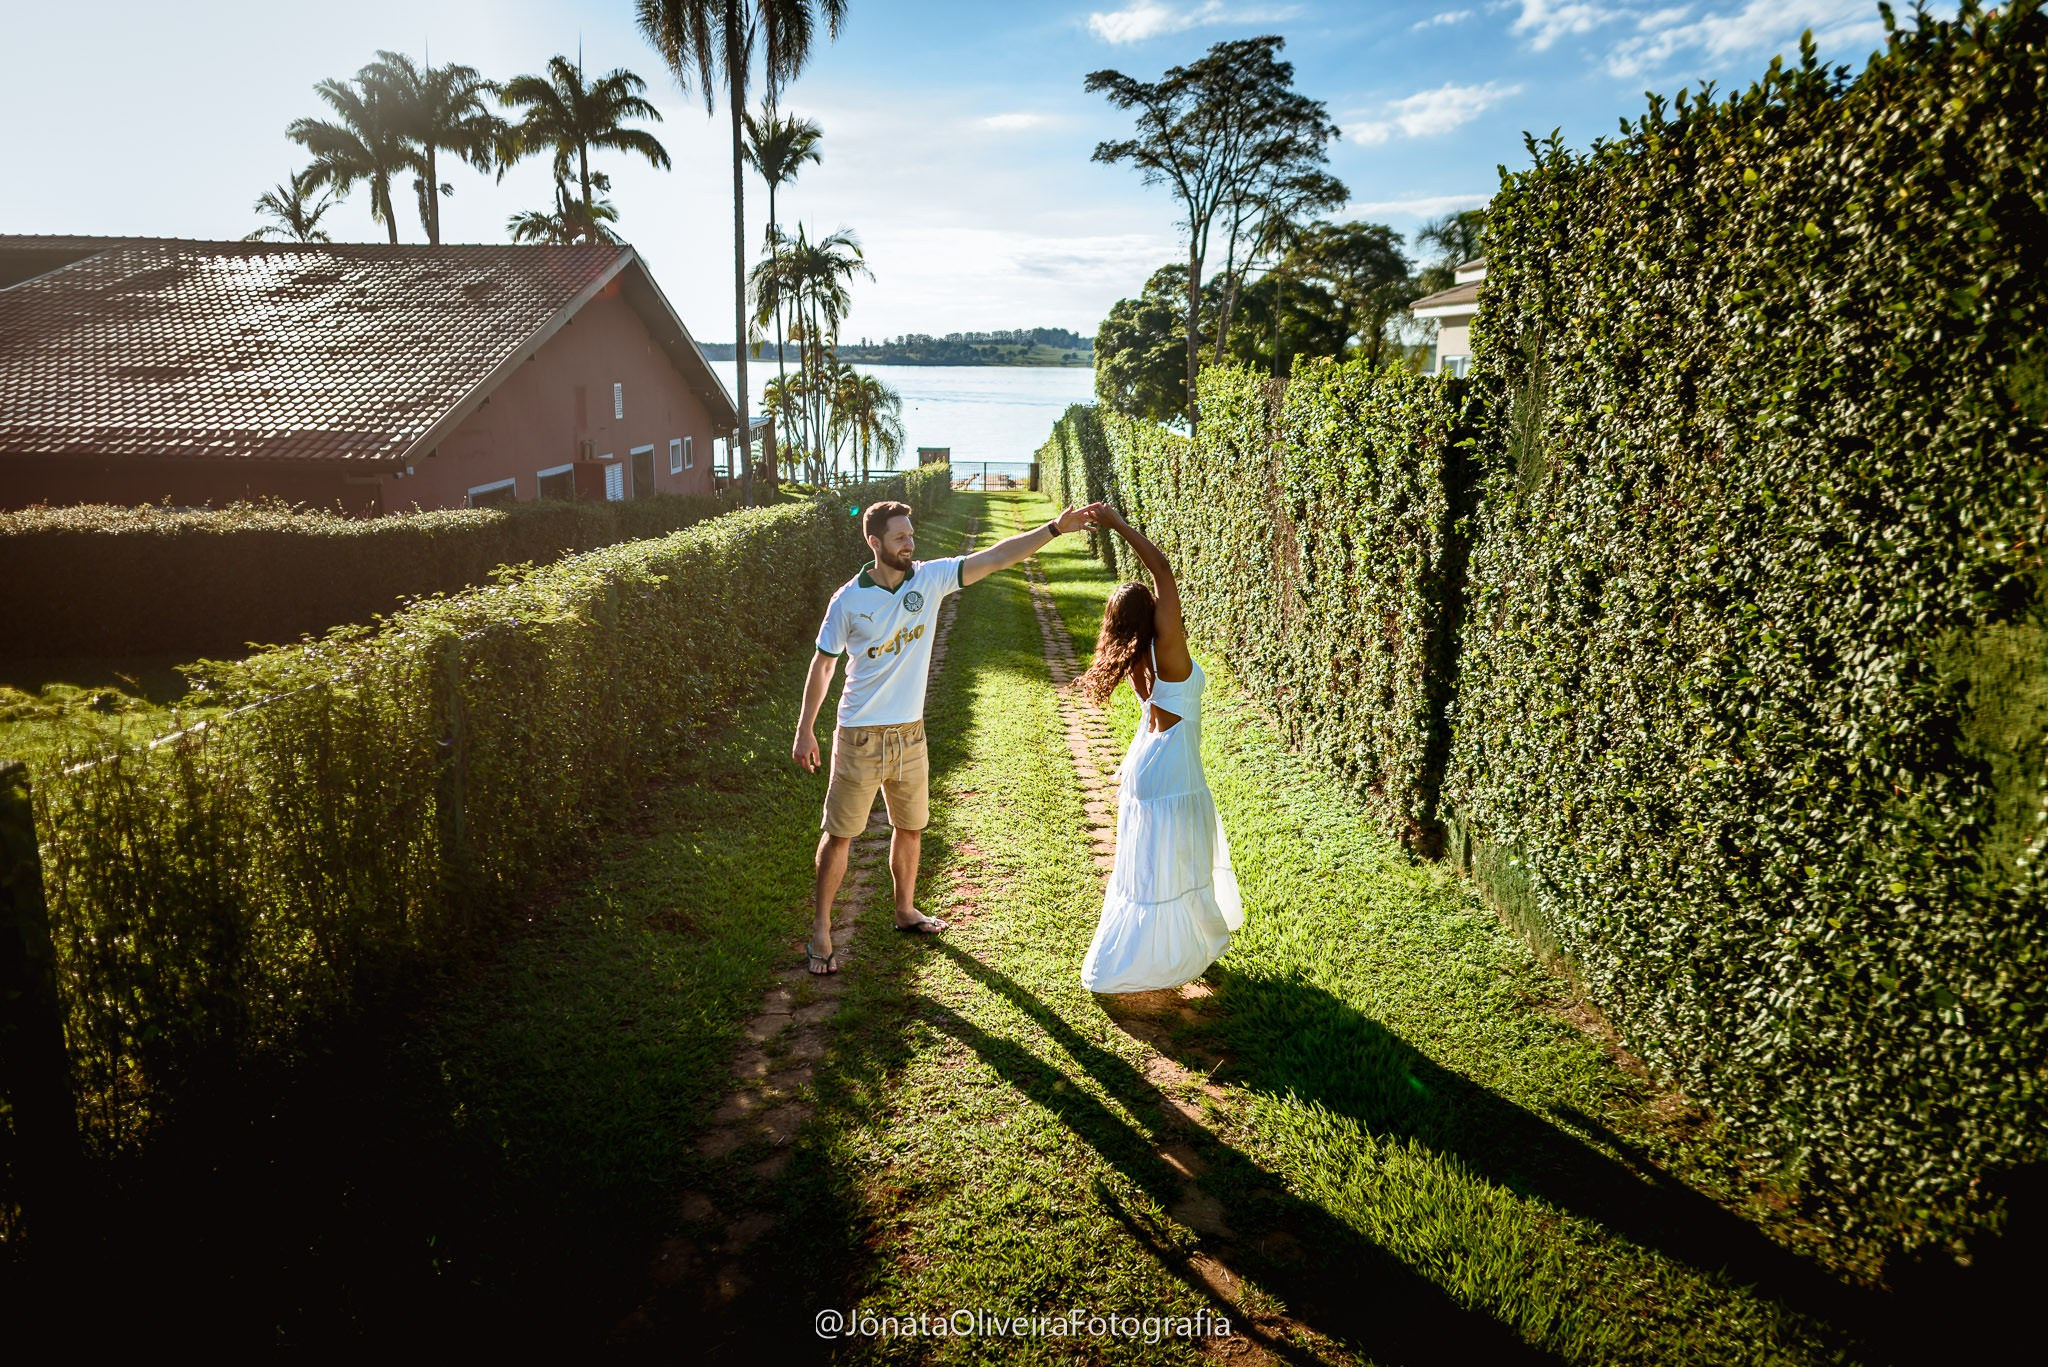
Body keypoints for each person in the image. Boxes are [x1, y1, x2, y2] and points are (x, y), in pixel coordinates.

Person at [795, 497, 1097, 973]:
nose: (909, 544)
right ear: (874, 542)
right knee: (840, 835)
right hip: (859, 736)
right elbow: (823, 666)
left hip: (910, 735)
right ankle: (821, 929)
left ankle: (904, 909)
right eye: (900, 537)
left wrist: (1054, 529)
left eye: (911, 535)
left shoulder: (930, 578)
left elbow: (996, 557)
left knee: (911, 826)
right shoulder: (847, 600)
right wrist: (805, 730)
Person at [1069, 504, 1243, 994]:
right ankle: (1168, 957)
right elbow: (1163, 569)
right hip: (1172, 771)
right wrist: (1120, 525)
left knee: (1149, 874)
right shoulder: (1167, 651)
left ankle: (1153, 952)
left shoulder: (1135, 658)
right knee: (1180, 866)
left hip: (1147, 766)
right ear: (1154, 613)